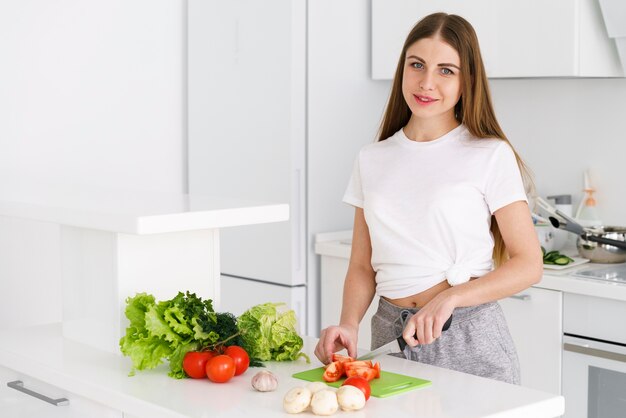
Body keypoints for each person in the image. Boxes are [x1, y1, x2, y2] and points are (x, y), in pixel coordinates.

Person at [313, 12, 543, 385]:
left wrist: (450, 299)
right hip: (391, 336)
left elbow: (529, 263)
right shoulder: (372, 159)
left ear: (467, 81)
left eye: (446, 71)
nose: (426, 82)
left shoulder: (488, 153)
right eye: (416, 65)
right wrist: (348, 322)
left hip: (469, 335)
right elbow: (361, 266)